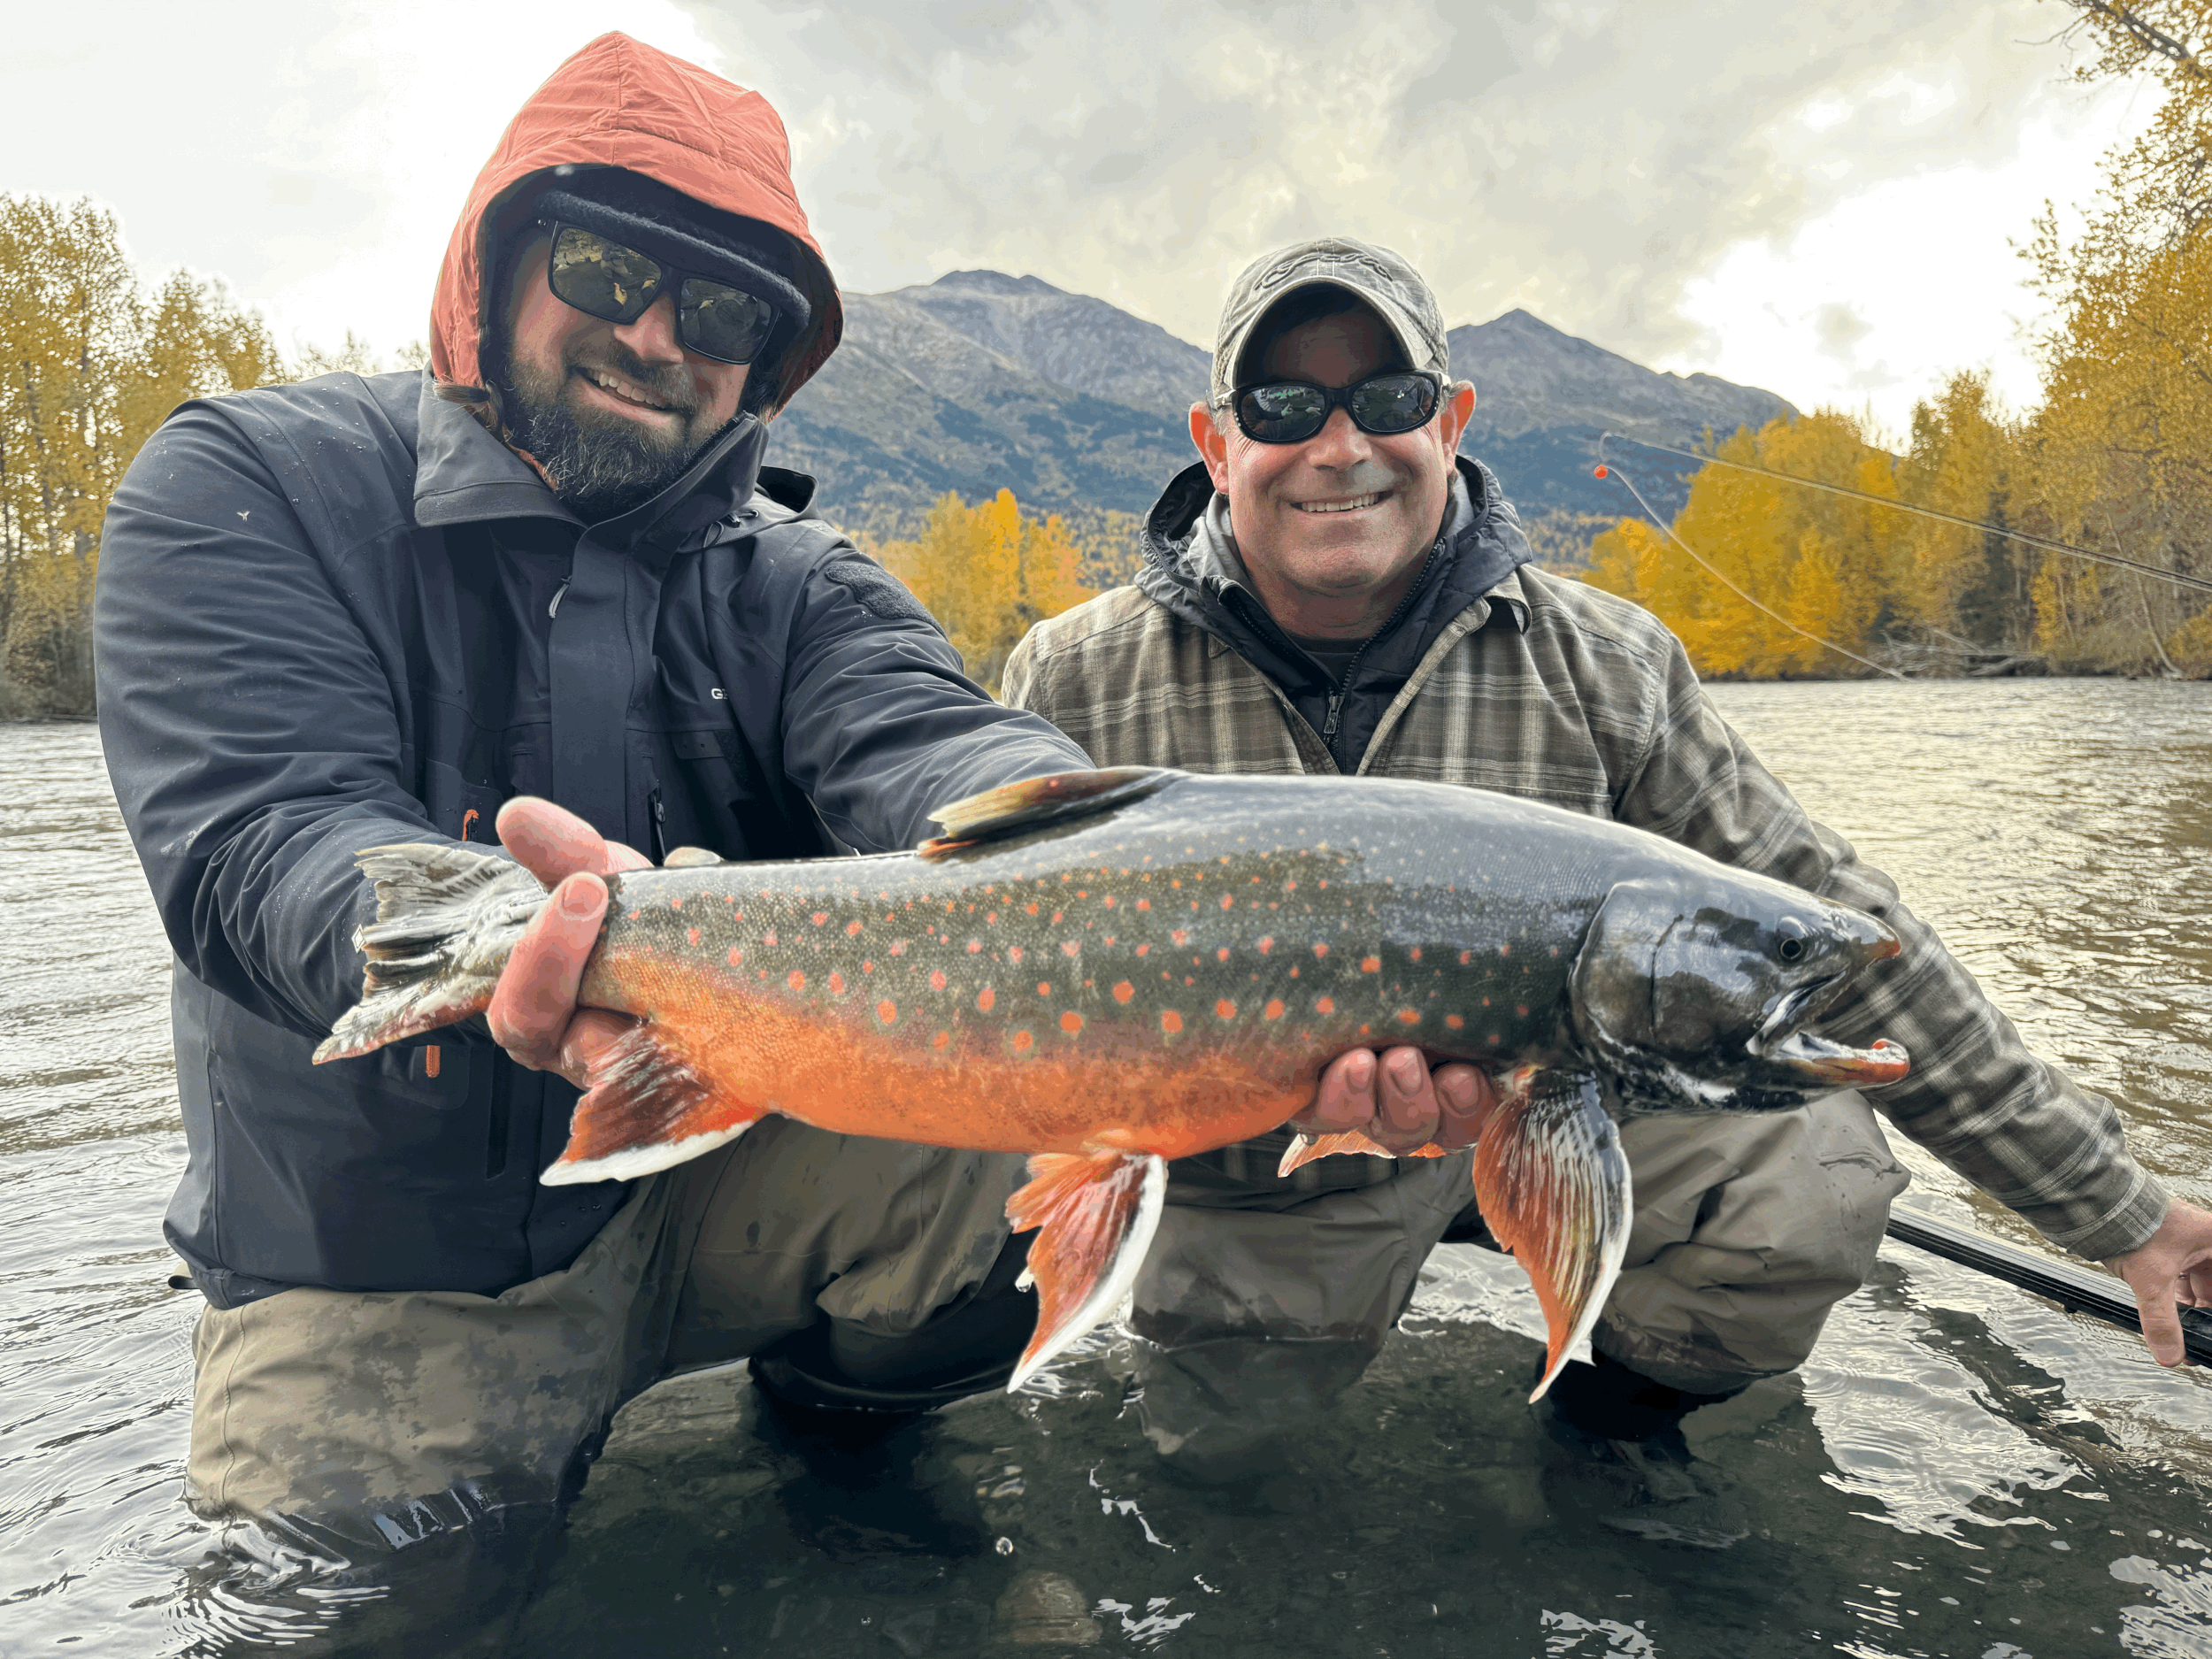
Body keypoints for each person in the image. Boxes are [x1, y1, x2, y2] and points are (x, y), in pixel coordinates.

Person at [93, 35, 1418, 1647]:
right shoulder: (254, 481)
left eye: (722, 312)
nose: (657, 334)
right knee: (376, 1609)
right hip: (383, 1251)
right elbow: (256, 840)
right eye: (606, 266)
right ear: (499, 262)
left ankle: (843, 1439)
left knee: (1027, 1094)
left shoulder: (803, 579)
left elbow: (947, 752)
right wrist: (492, 938)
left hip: (723, 1178)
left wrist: (1122, 874)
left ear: (764, 366)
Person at [1001, 234, 2212, 1540]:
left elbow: (1863, 946)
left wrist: (2125, 1214)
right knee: (1223, 1478)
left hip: (1573, 1114)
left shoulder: (1610, 666)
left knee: (1815, 1167)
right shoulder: (1073, 679)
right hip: (1266, 1173)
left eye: (1390, 399)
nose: (1339, 445)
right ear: (1218, 438)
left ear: (1451, 420)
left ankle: (1613, 1421)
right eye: (1285, 407)